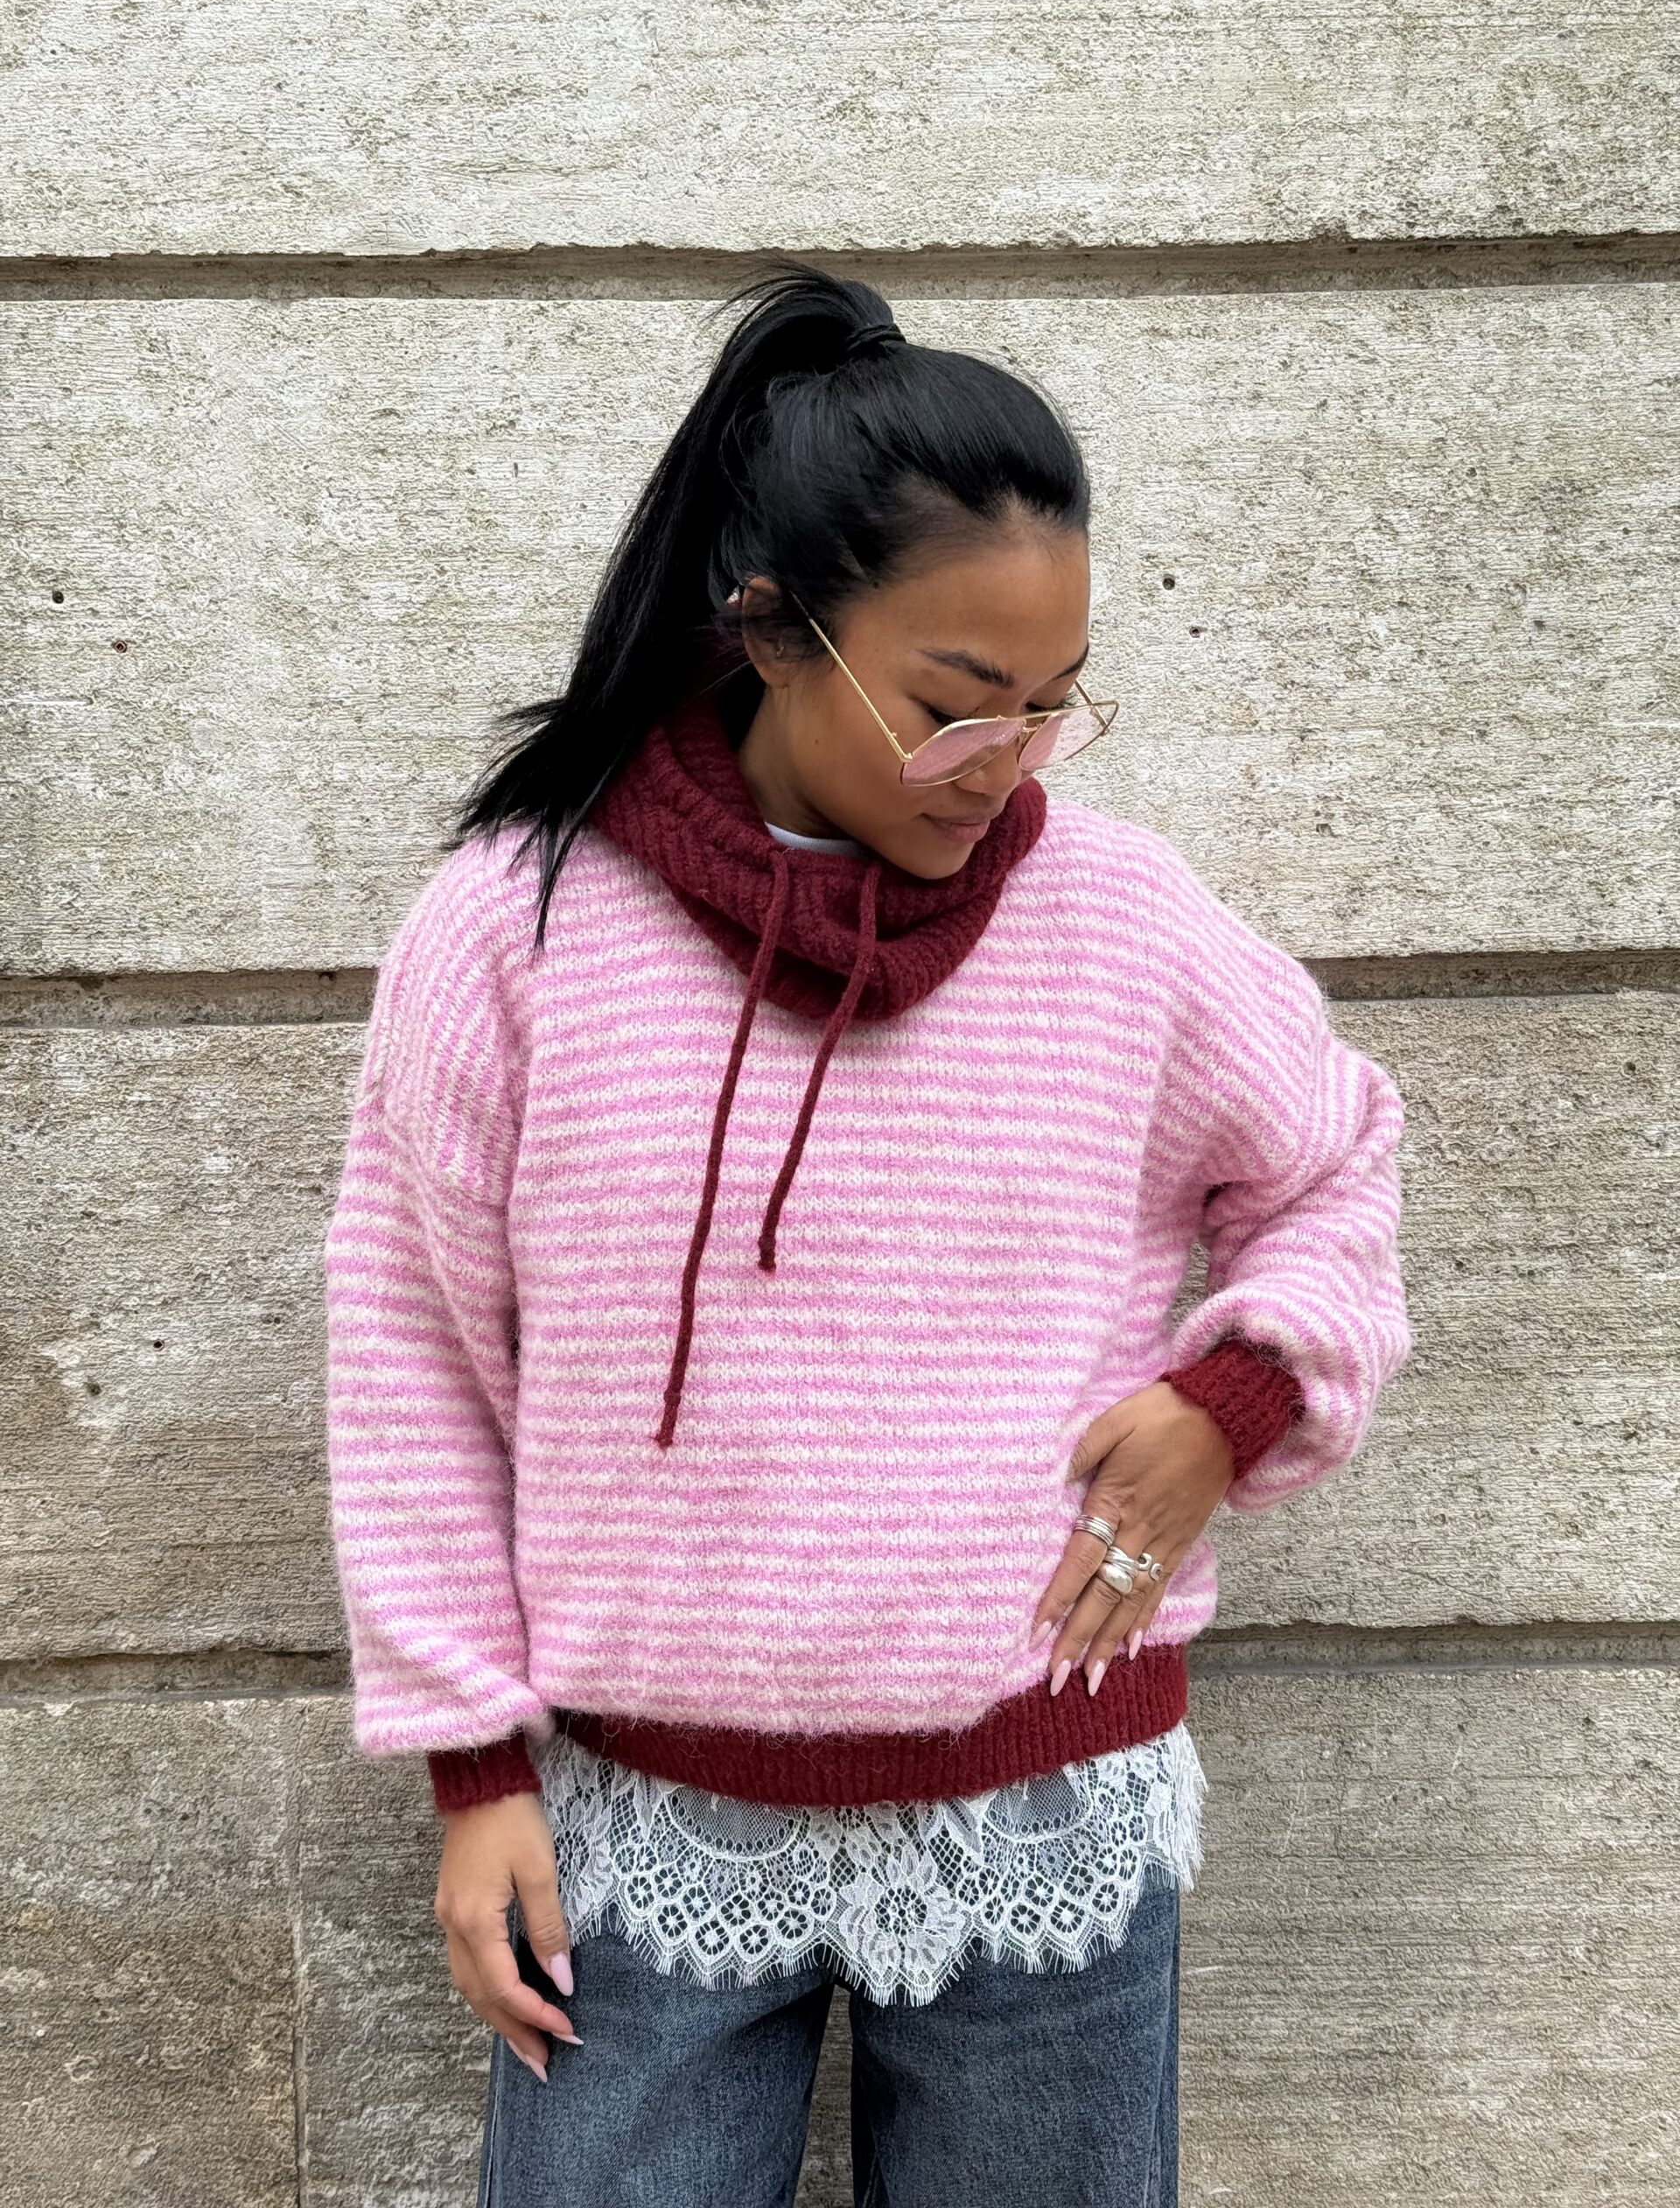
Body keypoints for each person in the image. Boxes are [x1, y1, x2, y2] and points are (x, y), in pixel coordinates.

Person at [322, 260, 1414, 2207]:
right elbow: (407, 1337)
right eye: (954, 705)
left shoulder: (1128, 925)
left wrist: (1235, 1398)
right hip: (642, 1822)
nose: (1007, 763)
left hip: (1048, 1798)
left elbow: (1335, 1162)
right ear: (768, 626)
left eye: (1052, 708)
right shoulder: (518, 929)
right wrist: (473, 1767)